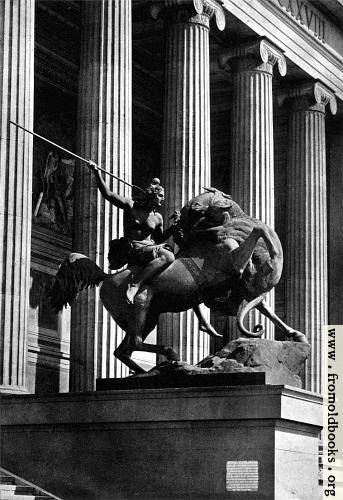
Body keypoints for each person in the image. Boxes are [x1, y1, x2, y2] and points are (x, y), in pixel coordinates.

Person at [88, 161, 220, 337]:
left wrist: (174, 228)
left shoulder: (157, 217)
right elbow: (108, 194)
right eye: (161, 195)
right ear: (152, 194)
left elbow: (158, 238)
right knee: (169, 256)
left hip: (151, 249)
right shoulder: (130, 206)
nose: (163, 199)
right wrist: (96, 172)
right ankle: (135, 285)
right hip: (135, 249)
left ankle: (201, 319)